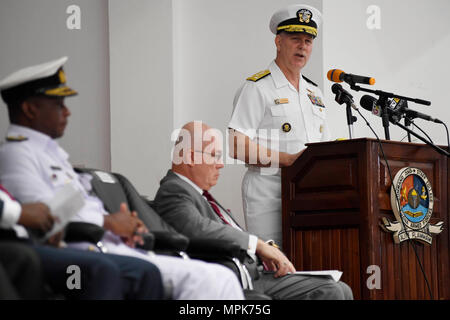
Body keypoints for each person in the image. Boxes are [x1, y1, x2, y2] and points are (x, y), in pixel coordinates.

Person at [0, 57, 244, 300]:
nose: (67, 111)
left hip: (110, 244)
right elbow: (46, 217)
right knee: (205, 280)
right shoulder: (16, 154)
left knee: (220, 277)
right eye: (58, 104)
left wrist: (124, 225)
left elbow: (69, 206)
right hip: (81, 247)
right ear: (30, 109)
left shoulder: (52, 155)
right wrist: (109, 222)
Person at [154, 121, 352, 300]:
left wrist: (266, 247)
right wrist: (259, 245)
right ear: (190, 157)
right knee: (331, 290)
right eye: (215, 156)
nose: (221, 164)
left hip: (254, 272)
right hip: (237, 279)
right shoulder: (174, 190)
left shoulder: (196, 194)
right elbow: (197, 228)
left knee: (341, 288)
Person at [228, 4, 331, 247]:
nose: (302, 46)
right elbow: (237, 147)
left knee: (311, 263)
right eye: (295, 38)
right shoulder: (257, 87)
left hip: (310, 195)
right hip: (269, 196)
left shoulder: (314, 93)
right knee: (277, 266)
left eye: (308, 40)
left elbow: (324, 147)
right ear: (278, 42)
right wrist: (289, 160)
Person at [1, 185, 164, 300]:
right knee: (101, 269)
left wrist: (51, 228)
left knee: (147, 273)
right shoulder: (19, 153)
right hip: (20, 245)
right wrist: (19, 212)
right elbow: (24, 212)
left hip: (38, 238)